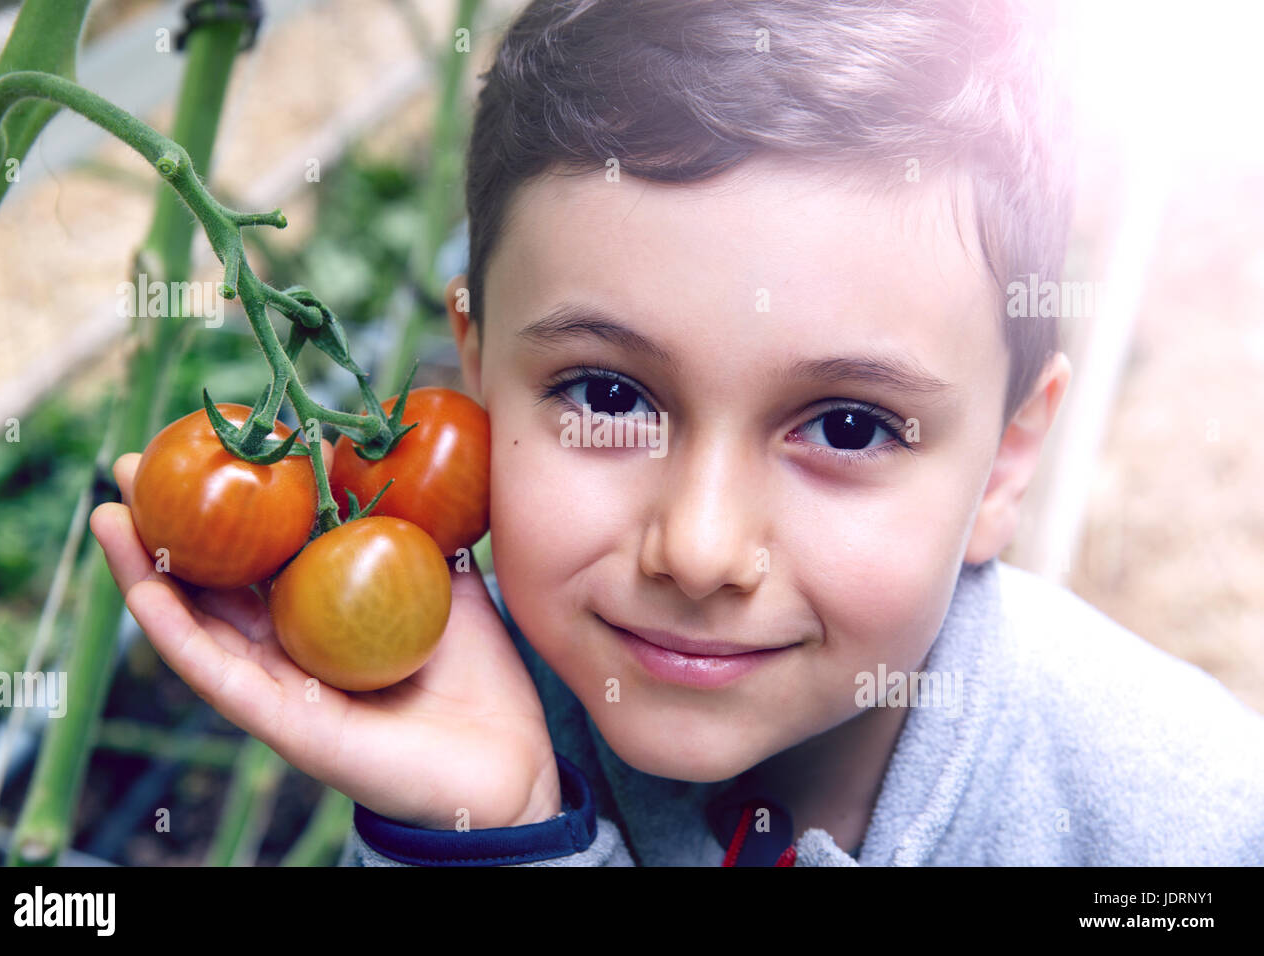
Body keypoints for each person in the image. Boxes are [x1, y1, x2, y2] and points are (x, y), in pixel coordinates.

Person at [91, 0, 1264, 865]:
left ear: (1006, 458)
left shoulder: (1186, 824)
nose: (699, 549)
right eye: (607, 399)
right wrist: (494, 833)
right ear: (478, 372)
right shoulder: (466, 719)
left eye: (847, 424)